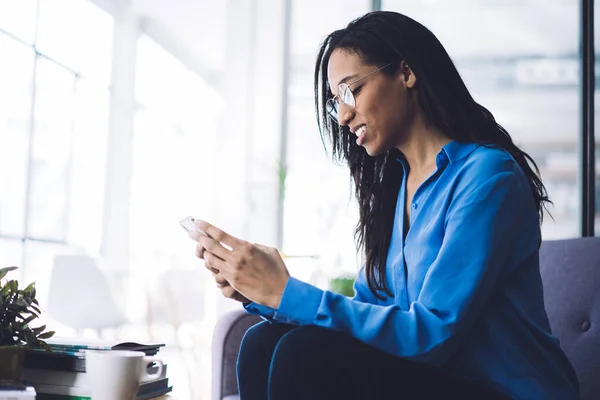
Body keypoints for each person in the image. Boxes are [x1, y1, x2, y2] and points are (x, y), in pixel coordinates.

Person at [188, 11, 579, 400]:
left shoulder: (487, 176)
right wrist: (264, 293)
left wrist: (286, 291)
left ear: (405, 73)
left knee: (301, 353)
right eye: (334, 102)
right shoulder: (401, 185)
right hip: (440, 379)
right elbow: (373, 307)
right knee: (261, 343)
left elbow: (432, 333)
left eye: (349, 91)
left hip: (504, 390)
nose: (341, 115)